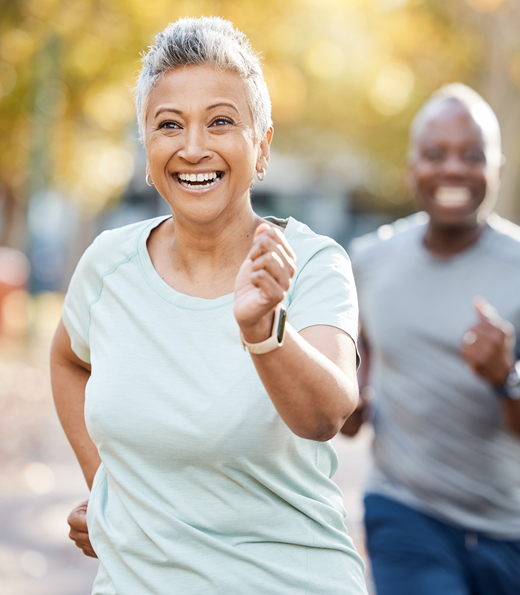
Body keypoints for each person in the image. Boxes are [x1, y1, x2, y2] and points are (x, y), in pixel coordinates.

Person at [49, 17, 367, 594]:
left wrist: (264, 330)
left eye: (220, 121)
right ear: (147, 151)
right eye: (169, 125)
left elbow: (326, 416)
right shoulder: (108, 265)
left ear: (261, 145)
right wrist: (108, 493)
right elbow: (68, 361)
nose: (193, 148)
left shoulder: (312, 263)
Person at [342, 83, 520, 595]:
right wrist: (346, 403)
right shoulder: (368, 262)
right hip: (402, 511)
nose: (452, 169)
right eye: (436, 155)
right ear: (412, 168)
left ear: (497, 169)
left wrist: (506, 377)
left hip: (507, 531)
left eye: (472, 156)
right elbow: (353, 396)